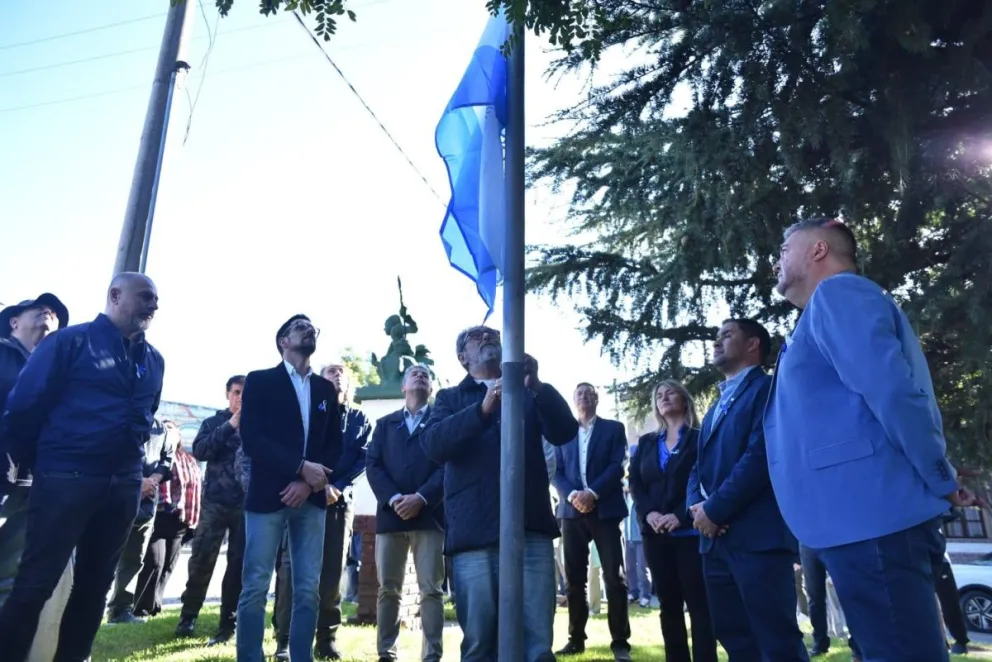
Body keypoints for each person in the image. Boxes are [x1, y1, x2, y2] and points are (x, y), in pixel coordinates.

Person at [765, 217, 969, 661]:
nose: (776, 258)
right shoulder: (822, 310)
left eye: (784, 246)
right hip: (860, 520)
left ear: (818, 250)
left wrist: (941, 474)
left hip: (876, 520)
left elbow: (893, 391)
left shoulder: (839, 294)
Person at [0, 272, 164, 662]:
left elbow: (146, 414)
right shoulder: (68, 342)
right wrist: (40, 466)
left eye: (156, 299)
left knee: (94, 587)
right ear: (114, 295)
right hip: (64, 479)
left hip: (121, 487)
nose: (154, 305)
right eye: (145, 297)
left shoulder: (155, 360)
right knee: (35, 583)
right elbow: (24, 409)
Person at [421, 325, 577, 662]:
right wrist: (484, 407)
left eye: (493, 334)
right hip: (474, 534)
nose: (489, 337)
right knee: (479, 643)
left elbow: (565, 430)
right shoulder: (450, 398)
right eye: (477, 337)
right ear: (463, 358)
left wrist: (536, 384)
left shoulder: (528, 392)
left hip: (530, 528)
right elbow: (434, 445)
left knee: (537, 643)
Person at [687, 318, 808, 662]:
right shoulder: (713, 407)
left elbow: (761, 456)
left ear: (753, 344)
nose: (716, 342)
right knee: (734, 636)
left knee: (776, 639)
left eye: (727, 335)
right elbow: (697, 468)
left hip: (758, 540)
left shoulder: (769, 389)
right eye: (716, 336)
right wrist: (697, 508)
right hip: (713, 543)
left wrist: (716, 510)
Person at [235, 314, 343, 662]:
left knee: (308, 589)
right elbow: (253, 438)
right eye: (300, 327)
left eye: (313, 328)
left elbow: (333, 445)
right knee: (255, 586)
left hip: (310, 499)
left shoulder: (326, 389)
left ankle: (301, 657)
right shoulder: (261, 381)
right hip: (268, 496)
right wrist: (297, 468)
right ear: (283, 340)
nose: (309, 330)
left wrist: (305, 480)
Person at [273, 362, 371, 660]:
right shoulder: (307, 412)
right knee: (293, 570)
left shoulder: (359, 418)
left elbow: (363, 458)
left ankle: (326, 637)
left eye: (341, 373)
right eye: (330, 372)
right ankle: (284, 640)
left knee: (331, 571)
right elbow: (293, 451)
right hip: (303, 499)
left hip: (338, 503)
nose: (336, 376)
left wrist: (337, 485)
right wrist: (312, 484)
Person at [630, 380, 717, 662]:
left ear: (685, 399)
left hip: (690, 533)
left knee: (699, 603)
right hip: (655, 534)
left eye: (670, 393)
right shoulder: (645, 443)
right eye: (659, 395)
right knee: (668, 604)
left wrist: (679, 516)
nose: (664, 398)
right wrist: (650, 513)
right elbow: (635, 484)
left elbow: (706, 480)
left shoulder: (700, 437)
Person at [365, 364, 445, 662]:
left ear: (431, 388)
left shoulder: (441, 421)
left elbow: (447, 466)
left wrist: (422, 497)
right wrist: (396, 498)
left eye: (426, 374)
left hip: (430, 517)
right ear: (403, 387)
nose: (421, 375)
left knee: (431, 590)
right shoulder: (385, 424)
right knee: (388, 590)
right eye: (414, 373)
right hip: (391, 517)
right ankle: (386, 652)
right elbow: (373, 465)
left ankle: (432, 655)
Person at [553, 383, 631, 661]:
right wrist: (575, 495)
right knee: (574, 579)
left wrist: (592, 493)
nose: (583, 396)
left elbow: (616, 466)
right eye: (579, 393)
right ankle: (576, 639)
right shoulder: (563, 432)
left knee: (614, 576)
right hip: (571, 512)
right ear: (573, 400)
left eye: (588, 392)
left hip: (605, 508)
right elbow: (556, 470)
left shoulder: (614, 428)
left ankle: (620, 642)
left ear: (597, 398)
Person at [0, 293, 69, 610]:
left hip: (33, 489)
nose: (49, 311)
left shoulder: (62, 374)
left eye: (54, 312)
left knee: (9, 579)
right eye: (38, 308)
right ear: (14, 321)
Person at [176, 375, 247, 645]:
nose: (241, 398)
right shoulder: (213, 422)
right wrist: (230, 425)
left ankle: (228, 623)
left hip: (245, 506)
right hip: (215, 504)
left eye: (245, 394)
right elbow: (201, 450)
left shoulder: (258, 424)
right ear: (228, 395)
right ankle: (188, 616)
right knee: (201, 562)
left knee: (238, 566)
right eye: (236, 392)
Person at [106, 417, 176, 622]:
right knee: (103, 556)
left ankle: (119, 609)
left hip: (145, 505)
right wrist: (138, 482)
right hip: (114, 498)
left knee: (134, 559)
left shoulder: (160, 428)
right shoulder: (121, 417)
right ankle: (86, 605)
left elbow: (167, 459)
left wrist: (152, 480)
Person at [134, 430, 202, 617]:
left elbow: (195, 488)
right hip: (160, 516)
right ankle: (140, 607)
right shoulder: (157, 457)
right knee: (154, 562)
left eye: (174, 430)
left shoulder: (188, 459)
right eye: (167, 429)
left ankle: (155, 606)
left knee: (168, 566)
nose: (171, 434)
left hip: (181, 521)